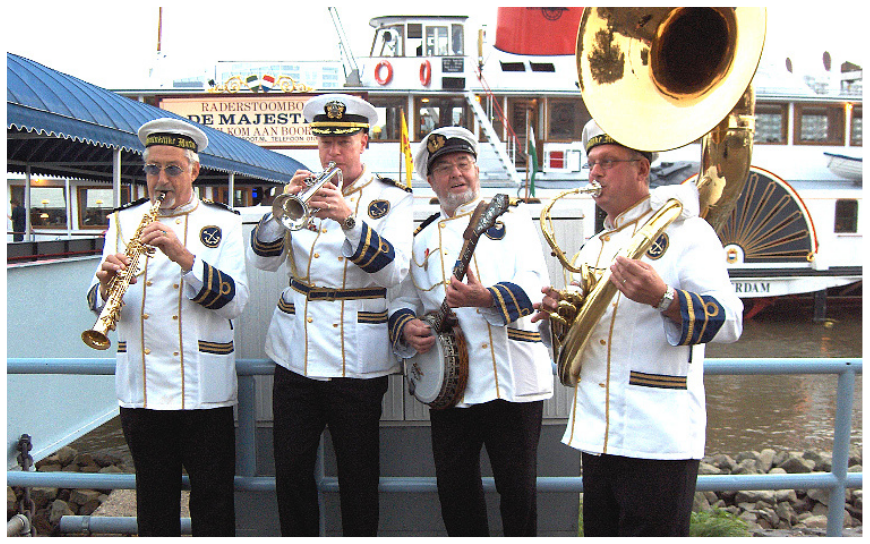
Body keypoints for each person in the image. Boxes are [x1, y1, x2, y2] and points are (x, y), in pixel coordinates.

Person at [532, 119, 744, 537]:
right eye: (591, 163)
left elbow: (730, 322)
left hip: (659, 435)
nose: (595, 173)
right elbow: (579, 340)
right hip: (597, 433)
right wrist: (556, 316)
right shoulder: (595, 246)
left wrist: (663, 298)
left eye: (607, 162)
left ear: (642, 170)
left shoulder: (687, 232)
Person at [247, 94, 413, 536]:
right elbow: (263, 260)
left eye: (343, 143)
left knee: (359, 474)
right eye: (324, 143)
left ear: (364, 143)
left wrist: (349, 219)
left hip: (358, 357)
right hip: (295, 351)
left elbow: (395, 271)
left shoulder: (391, 199)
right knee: (292, 470)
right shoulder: (300, 191)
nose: (332, 153)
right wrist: (282, 206)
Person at [86, 118, 249, 536]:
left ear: (194, 171)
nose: (160, 180)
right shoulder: (124, 222)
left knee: (213, 500)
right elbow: (95, 301)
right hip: (142, 388)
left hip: (203, 389)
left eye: (172, 169)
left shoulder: (224, 223)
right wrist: (105, 285)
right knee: (153, 501)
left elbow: (236, 302)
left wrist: (183, 257)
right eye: (152, 169)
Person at [389, 127, 554, 536]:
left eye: (463, 164)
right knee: (455, 492)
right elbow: (402, 301)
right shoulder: (420, 239)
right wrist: (408, 326)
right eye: (444, 168)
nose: (456, 174)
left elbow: (536, 283)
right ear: (431, 181)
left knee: (518, 494)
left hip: (512, 382)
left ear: (477, 169)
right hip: (450, 387)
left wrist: (486, 298)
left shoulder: (512, 220)